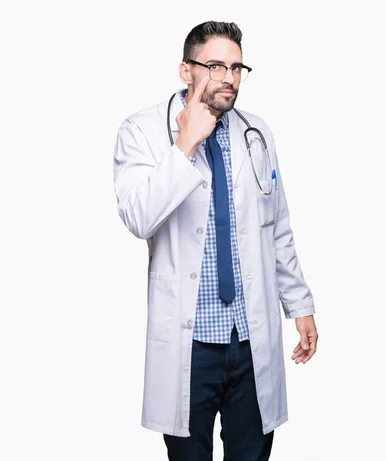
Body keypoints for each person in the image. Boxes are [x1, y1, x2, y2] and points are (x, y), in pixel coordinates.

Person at [112, 21, 318, 460]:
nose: (229, 77)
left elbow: (276, 225)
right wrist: (185, 144)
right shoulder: (143, 131)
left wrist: (299, 305)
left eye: (237, 66)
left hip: (248, 337)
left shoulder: (256, 133)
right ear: (186, 71)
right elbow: (138, 217)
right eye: (215, 66)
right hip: (191, 346)